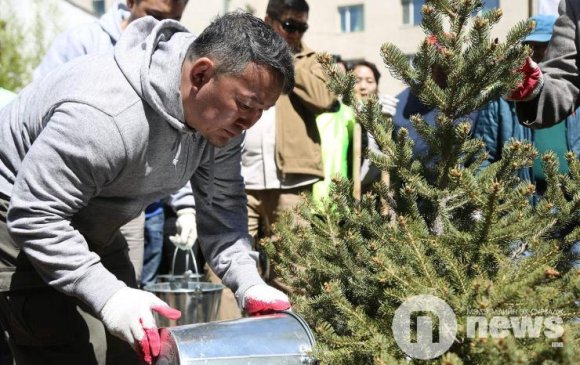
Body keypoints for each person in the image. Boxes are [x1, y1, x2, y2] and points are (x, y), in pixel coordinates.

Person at [0, 11, 294, 365]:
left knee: (136, 348)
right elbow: (33, 213)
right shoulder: (106, 115)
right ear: (200, 74)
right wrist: (109, 296)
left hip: (95, 219)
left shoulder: (223, 120)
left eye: (262, 109)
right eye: (247, 105)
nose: (250, 122)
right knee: (60, 345)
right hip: (16, 219)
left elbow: (222, 208)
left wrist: (249, 282)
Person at [33, 0, 193, 287]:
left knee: (127, 292)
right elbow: (38, 105)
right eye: (154, 16)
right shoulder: (83, 41)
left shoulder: (176, 59)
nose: (160, 29)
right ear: (131, 2)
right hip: (66, 197)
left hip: (131, 208)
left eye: (173, 20)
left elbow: (178, 137)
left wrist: (185, 206)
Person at [241, 0, 337, 286]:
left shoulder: (312, 60)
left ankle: (288, 330)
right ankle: (238, 329)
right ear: (269, 20)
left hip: (293, 184)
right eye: (289, 26)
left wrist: (286, 59)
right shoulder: (245, 55)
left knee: (292, 272)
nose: (296, 33)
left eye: (302, 27)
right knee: (236, 266)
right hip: (241, 179)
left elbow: (325, 99)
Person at [476, 14, 580, 268]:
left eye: (545, 47)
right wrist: (481, 204)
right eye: (530, 48)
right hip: (520, 212)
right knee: (520, 288)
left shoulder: (574, 94)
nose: (538, 54)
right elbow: (482, 155)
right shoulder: (504, 99)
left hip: (572, 210)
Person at [510, 0, 580, 128]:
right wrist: (534, 91)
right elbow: (565, 76)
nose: (531, 52)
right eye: (527, 46)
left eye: (540, 45)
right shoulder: (574, 4)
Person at [312, 55, 356, 203]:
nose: (333, 80)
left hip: (338, 200)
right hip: (305, 200)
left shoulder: (349, 114)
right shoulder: (305, 110)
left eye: (339, 76)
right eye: (328, 74)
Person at [350, 60, 398, 191]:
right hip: (346, 190)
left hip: (375, 190)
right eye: (357, 80)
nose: (363, 86)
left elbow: (393, 153)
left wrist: (388, 122)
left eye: (369, 81)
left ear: (377, 86)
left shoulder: (382, 115)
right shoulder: (341, 113)